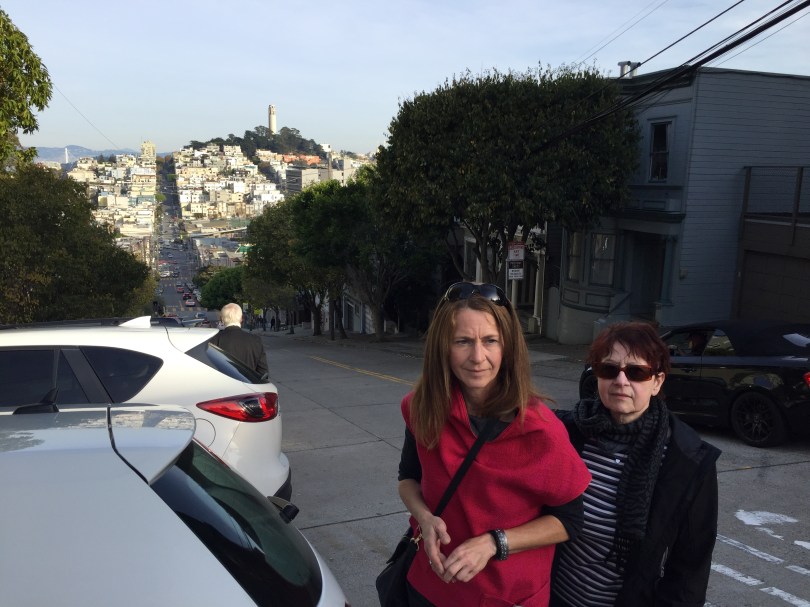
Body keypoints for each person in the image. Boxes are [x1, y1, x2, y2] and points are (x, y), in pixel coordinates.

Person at [397, 282, 592, 607]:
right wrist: (425, 519)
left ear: (508, 347)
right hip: (431, 586)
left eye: (490, 341)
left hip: (508, 596)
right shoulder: (422, 408)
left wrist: (494, 543)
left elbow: (570, 520)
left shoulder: (541, 429)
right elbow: (408, 479)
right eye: (463, 341)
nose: (478, 357)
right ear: (443, 347)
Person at [551, 322, 721, 607]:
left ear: (657, 382)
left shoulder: (687, 461)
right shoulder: (565, 433)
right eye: (609, 369)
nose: (621, 381)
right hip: (552, 598)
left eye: (636, 372)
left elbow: (689, 572)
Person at [209, 303, 269, 378]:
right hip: (249, 386)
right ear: (241, 318)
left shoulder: (213, 340)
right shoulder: (256, 340)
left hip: (224, 387)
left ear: (221, 319)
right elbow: (263, 373)